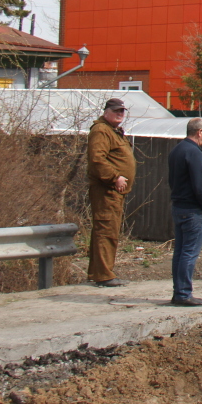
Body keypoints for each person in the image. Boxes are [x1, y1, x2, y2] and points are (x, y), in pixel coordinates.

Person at [87, 97, 136, 287]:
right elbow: (97, 160)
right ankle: (104, 275)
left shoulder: (113, 131)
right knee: (105, 230)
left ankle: (98, 272)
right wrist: (115, 177)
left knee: (109, 229)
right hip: (106, 190)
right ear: (105, 112)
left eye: (122, 111)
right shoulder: (101, 130)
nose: (119, 114)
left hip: (114, 192)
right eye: (116, 111)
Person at [168, 117, 202, 307]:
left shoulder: (177, 150)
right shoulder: (193, 153)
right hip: (193, 209)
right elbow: (199, 182)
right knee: (189, 252)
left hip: (179, 206)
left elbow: (172, 180)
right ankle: (183, 293)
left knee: (180, 252)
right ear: (199, 132)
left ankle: (179, 291)